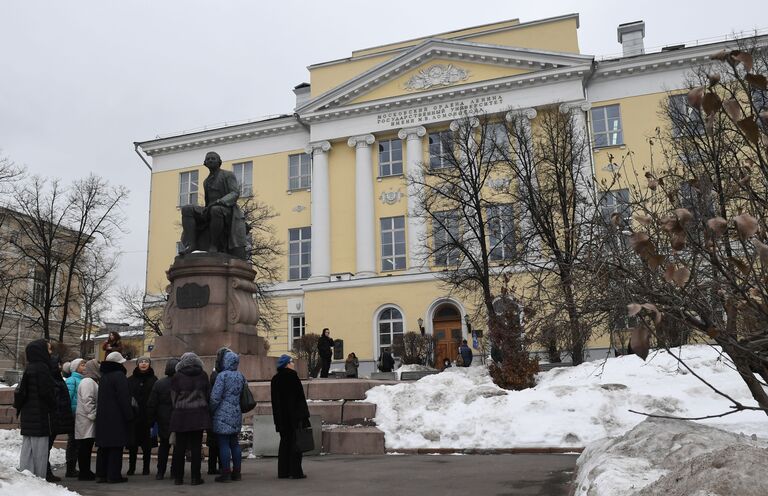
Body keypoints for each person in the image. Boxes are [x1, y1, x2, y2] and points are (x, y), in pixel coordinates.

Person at [179, 151, 248, 259]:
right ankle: (192, 244)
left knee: (216, 210)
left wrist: (221, 201)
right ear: (205, 163)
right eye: (208, 159)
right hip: (210, 208)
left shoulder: (228, 175)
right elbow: (208, 201)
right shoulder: (206, 181)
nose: (210, 160)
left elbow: (234, 193)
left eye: (213, 158)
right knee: (187, 209)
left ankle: (214, 245)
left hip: (227, 209)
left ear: (219, 162)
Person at [17, 339, 56, 479]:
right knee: (40, 452)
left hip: (28, 415)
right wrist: (53, 405)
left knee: (27, 451)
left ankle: (26, 477)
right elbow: (46, 393)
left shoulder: (30, 367)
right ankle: (39, 481)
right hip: (40, 415)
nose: (50, 353)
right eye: (49, 349)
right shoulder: (43, 368)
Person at [170, 352, 210, 486]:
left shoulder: (177, 376)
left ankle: (178, 478)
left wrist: (179, 405)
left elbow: (173, 397)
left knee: (180, 448)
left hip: (181, 415)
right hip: (198, 415)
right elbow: (207, 394)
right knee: (196, 448)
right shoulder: (203, 375)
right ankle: (195, 477)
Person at [95, 351, 133, 483]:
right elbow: (124, 398)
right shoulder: (119, 376)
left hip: (103, 416)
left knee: (103, 447)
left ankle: (101, 474)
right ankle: (113, 475)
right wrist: (129, 415)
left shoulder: (104, 376)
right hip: (116, 417)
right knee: (116, 447)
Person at [270, 354, 310, 479]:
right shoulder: (293, 377)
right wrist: (304, 416)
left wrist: (278, 419)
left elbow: (275, 401)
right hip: (295, 417)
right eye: (291, 362)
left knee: (284, 443)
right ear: (286, 364)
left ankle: (283, 471)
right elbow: (300, 399)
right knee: (296, 444)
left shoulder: (275, 379)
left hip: (281, 417)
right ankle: (296, 471)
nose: (293, 364)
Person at [209, 350, 246, 482]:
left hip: (222, 414)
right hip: (236, 412)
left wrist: (211, 410)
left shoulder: (222, 376)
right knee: (234, 443)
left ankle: (225, 473)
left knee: (223, 444)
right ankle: (237, 472)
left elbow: (215, 397)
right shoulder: (240, 376)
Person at [147, 358, 179, 480]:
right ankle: (174, 471)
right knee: (177, 447)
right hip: (177, 418)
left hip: (163, 419)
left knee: (164, 446)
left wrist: (152, 420)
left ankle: (160, 472)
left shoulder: (159, 383)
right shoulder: (181, 383)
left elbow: (152, 403)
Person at [127, 356, 157, 476]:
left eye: (146, 362)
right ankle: (131, 467)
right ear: (137, 364)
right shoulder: (130, 380)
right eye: (141, 362)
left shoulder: (154, 380)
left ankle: (146, 468)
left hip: (148, 417)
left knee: (147, 446)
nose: (143, 364)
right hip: (134, 417)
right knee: (132, 445)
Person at [49, 352, 75, 482]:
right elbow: (57, 401)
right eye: (58, 364)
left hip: (58, 417)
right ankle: (46, 472)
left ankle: (46, 471)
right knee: (47, 446)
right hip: (54, 417)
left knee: (47, 445)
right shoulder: (53, 380)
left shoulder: (57, 379)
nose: (60, 366)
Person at [206, 347, 231, 476]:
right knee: (221, 442)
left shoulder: (215, 373)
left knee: (214, 443)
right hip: (222, 412)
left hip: (215, 412)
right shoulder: (223, 375)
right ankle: (222, 467)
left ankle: (213, 467)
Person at [75, 359, 100, 481]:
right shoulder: (88, 382)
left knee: (86, 447)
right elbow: (87, 399)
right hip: (86, 419)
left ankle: (85, 471)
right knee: (85, 447)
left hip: (87, 419)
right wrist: (93, 413)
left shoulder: (91, 381)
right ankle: (84, 472)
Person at [65, 358, 85, 477]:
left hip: (80, 415)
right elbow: (68, 397)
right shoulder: (72, 380)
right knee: (73, 442)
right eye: (82, 364)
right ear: (75, 367)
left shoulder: (81, 380)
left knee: (77, 442)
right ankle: (70, 468)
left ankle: (72, 467)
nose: (85, 366)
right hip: (74, 415)